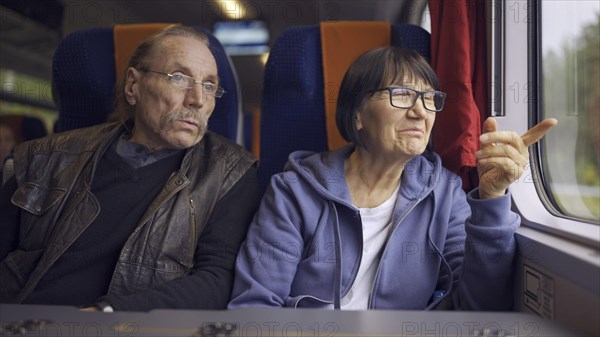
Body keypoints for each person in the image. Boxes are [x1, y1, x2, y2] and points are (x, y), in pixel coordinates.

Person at [228, 46, 557, 310]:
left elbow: (477, 305)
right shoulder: (294, 192)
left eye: (429, 99)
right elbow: (256, 306)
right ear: (358, 114)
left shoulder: (445, 194)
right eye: (401, 94)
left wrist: (494, 196)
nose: (421, 112)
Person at [0, 24, 259, 312]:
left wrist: (107, 314)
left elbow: (217, 279)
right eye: (179, 77)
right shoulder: (43, 158)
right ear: (134, 86)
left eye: (209, 86)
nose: (198, 99)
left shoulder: (231, 172)